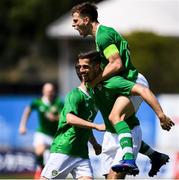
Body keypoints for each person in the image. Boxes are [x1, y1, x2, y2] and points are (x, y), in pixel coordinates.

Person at [71, 2, 174, 176]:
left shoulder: (102, 36)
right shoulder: (101, 36)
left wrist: (97, 80)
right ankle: (153, 155)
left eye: (75, 20)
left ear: (86, 20)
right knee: (116, 125)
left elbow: (117, 63)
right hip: (125, 83)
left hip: (133, 81)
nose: (73, 25)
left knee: (115, 117)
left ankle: (129, 159)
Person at [75, 50, 174, 178]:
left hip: (131, 132)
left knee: (115, 177)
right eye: (79, 67)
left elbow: (143, 90)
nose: (81, 70)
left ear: (96, 66)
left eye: (85, 67)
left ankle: (130, 158)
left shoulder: (111, 82)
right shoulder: (89, 85)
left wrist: (161, 115)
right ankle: (155, 155)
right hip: (110, 136)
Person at [40, 77, 104, 180]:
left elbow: (85, 125)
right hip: (65, 149)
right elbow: (70, 118)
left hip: (82, 153)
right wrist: (96, 126)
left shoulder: (94, 99)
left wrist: (95, 143)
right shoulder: (75, 94)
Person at [18, 83, 64, 179]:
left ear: (54, 92)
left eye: (51, 91)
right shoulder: (37, 102)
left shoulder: (58, 102)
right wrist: (22, 125)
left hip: (55, 136)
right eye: (47, 91)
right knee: (39, 152)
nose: (49, 93)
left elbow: (65, 116)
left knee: (53, 161)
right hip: (42, 133)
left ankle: (46, 172)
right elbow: (27, 111)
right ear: (43, 91)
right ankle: (40, 168)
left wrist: (55, 118)